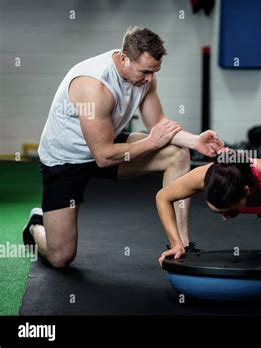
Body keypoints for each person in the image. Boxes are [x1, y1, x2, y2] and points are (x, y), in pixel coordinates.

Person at [22, 26, 224, 268]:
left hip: (107, 141)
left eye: (154, 71)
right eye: (145, 71)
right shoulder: (94, 86)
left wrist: (195, 141)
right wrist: (150, 142)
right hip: (66, 160)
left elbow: (158, 123)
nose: (150, 78)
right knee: (61, 257)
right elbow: (103, 157)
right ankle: (36, 224)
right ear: (124, 58)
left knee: (176, 154)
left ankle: (180, 244)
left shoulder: (144, 76)